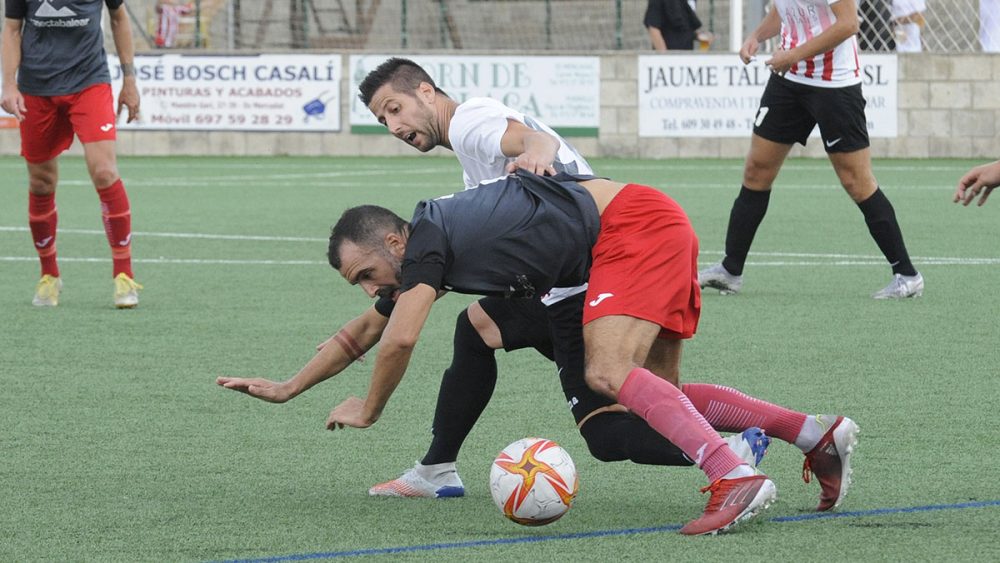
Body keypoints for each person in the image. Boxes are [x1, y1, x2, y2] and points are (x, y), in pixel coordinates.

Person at [219, 57, 768, 501]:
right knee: (478, 326)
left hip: (596, 263)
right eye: (382, 121)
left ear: (427, 92)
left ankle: (735, 457)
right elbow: (375, 322)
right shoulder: (458, 188)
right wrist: (291, 386)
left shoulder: (470, 122)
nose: (394, 127)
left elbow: (531, 141)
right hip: (576, 266)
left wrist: (536, 157)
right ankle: (435, 469)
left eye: (395, 109)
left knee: (609, 423)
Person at [315, 169, 859, 534]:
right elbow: (376, 324)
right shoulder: (433, 241)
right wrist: (290, 387)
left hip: (628, 230)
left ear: (394, 243)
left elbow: (401, 337)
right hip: (637, 231)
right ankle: (813, 433)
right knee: (655, 394)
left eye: (366, 275)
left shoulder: (440, 203)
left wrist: (368, 408)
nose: (370, 288)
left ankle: (734, 475)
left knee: (607, 373)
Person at [698, 0, 924, 300]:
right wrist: (756, 36)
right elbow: (784, 10)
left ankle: (907, 275)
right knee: (757, 170)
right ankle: (730, 270)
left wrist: (792, 54)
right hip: (789, 80)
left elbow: (848, 24)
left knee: (856, 181)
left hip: (835, 86)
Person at [1, 0, 142, 308]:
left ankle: (124, 275)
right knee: (41, 182)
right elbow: (12, 28)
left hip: (89, 81)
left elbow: (119, 18)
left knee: (104, 170)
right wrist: (9, 85)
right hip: (37, 87)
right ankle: (49, 275)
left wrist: (129, 79)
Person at [644, 0, 709, 51]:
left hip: (686, 57)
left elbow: (683, 27)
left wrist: (699, 36)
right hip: (669, 60)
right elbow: (653, 27)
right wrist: (664, 58)